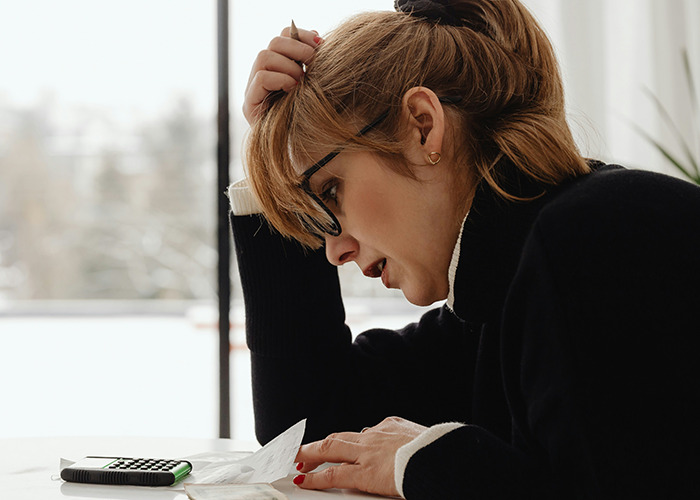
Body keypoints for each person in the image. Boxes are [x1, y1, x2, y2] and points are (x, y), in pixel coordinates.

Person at [229, 0, 700, 498]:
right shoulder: (503, 290)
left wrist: (427, 461)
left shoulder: (603, 237)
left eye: (329, 192)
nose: (333, 252)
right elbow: (308, 424)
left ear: (422, 125)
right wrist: (275, 163)